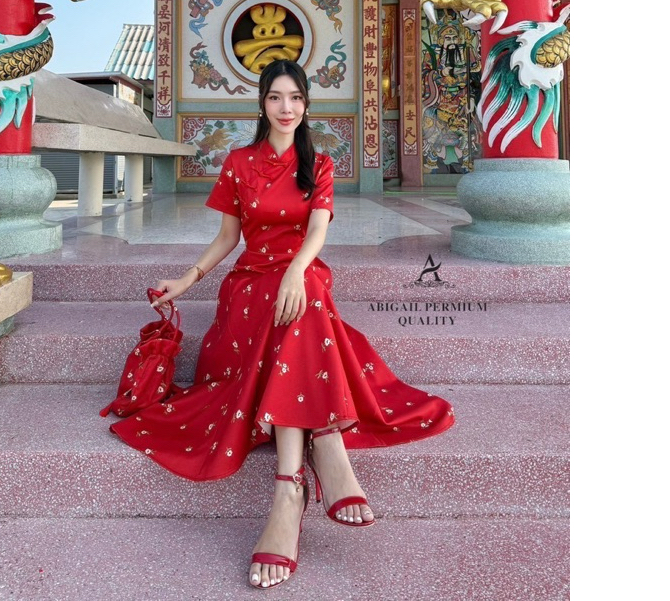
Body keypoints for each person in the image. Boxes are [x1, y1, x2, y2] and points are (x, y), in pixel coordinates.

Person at [108, 59, 455, 589]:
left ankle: (289, 487)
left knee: (304, 294)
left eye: (295, 98)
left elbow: (316, 233)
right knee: (296, 305)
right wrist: (187, 279)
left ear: (306, 105)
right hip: (249, 287)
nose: (286, 108)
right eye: (275, 97)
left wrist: (294, 272)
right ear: (262, 104)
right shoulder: (238, 162)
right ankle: (327, 445)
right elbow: (228, 239)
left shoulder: (320, 164)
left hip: (300, 276)